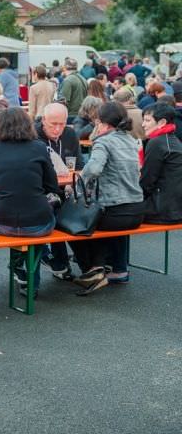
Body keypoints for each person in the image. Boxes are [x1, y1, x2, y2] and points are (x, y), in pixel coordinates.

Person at [0, 107, 60, 297]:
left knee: (23, 228)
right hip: (39, 223)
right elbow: (52, 185)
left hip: (6, 223)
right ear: (27, 125)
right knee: (48, 214)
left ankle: (20, 265)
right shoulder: (38, 147)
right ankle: (34, 279)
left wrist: (2, 180)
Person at [71, 102, 145, 294]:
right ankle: (119, 270)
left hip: (115, 212)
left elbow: (94, 169)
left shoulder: (104, 142)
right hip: (137, 209)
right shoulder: (129, 139)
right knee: (113, 223)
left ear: (102, 122)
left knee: (77, 223)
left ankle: (93, 268)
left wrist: (80, 181)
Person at [35, 103, 83, 280]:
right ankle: (60, 262)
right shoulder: (34, 136)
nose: (57, 129)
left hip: (67, 189)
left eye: (61, 124)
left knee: (81, 213)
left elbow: (79, 165)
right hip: (42, 192)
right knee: (56, 211)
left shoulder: (70, 134)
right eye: (52, 124)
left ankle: (89, 264)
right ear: (43, 121)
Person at [140, 103, 182, 223]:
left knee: (116, 212)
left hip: (162, 210)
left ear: (162, 122)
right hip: (174, 208)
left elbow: (147, 181)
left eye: (147, 120)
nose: (143, 125)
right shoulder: (172, 140)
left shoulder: (157, 142)